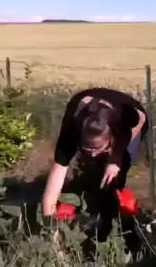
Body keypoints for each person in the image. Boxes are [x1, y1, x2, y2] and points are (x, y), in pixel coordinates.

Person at [41, 87, 148, 243]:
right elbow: (52, 188)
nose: (91, 153)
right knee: (95, 165)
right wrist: (52, 235)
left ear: (111, 139)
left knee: (117, 171)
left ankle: (112, 223)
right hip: (88, 111)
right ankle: (93, 202)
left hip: (128, 118)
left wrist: (116, 156)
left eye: (97, 148)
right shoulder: (71, 129)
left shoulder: (129, 117)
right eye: (86, 147)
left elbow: (141, 118)